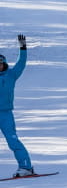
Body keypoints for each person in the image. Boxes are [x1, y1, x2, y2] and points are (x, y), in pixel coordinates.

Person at [0, 34, 34, 177]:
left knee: (13, 141)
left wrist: (23, 48)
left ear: (4, 63)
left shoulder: (12, 75)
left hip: (6, 114)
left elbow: (22, 62)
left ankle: (26, 167)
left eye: (0, 63)